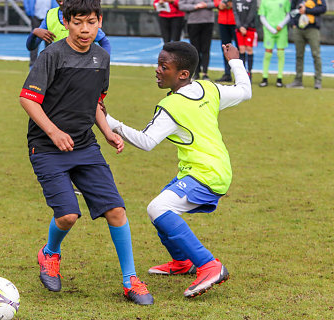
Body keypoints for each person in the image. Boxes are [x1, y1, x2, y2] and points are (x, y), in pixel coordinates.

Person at [19, 0, 154, 305]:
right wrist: (53, 132)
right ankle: (50, 254)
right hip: (46, 147)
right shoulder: (51, 56)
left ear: (99, 21)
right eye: (78, 22)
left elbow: (95, 102)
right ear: (66, 22)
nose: (84, 29)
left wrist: (107, 133)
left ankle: (130, 280)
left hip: (85, 145)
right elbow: (28, 99)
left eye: (91, 22)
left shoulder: (102, 58)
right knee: (67, 216)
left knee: (116, 211)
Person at [102, 42, 252, 298]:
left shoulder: (170, 108)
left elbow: (146, 142)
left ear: (183, 74)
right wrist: (235, 61)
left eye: (164, 66)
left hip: (205, 173)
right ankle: (182, 262)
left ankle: (209, 265)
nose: (157, 71)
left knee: (158, 208)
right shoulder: (208, 88)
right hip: (213, 168)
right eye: (158, 64)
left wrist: (109, 121)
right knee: (159, 209)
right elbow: (244, 91)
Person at [25, 0, 111, 55]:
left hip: (81, 68)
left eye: (77, 23)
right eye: (77, 23)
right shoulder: (51, 15)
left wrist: (103, 63)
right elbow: (31, 47)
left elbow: (105, 42)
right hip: (59, 69)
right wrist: (34, 33)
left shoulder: (83, 15)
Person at [286, 0, 326, 89]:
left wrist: (307, 10)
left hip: (312, 29)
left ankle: (318, 80)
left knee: (316, 54)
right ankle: (298, 80)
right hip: (298, 29)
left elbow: (323, 8)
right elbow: (292, 9)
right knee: (299, 55)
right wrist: (293, 23)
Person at [178, 0, 216, 80]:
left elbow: (217, 3)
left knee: (206, 48)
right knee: (195, 49)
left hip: (208, 22)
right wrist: (195, 6)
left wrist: (206, 5)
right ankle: (196, 72)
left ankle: (205, 73)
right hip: (193, 22)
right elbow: (181, 5)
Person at [258, 0, 290, 87]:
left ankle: (279, 78)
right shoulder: (264, 1)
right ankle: (265, 78)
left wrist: (281, 25)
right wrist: (270, 28)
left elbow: (288, 15)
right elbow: (262, 16)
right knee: (268, 53)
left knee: (280, 53)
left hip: (281, 30)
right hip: (269, 31)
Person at [23, 0, 58, 67]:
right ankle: (32, 64)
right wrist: (28, 11)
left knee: (49, 41)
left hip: (49, 17)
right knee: (34, 41)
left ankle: (49, 64)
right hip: (36, 16)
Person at [233, 0, 257, 81]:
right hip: (239, 29)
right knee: (241, 49)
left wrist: (245, 26)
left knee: (249, 49)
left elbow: (252, 12)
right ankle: (242, 73)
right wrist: (239, 26)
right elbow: (235, 12)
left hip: (249, 28)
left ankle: (249, 72)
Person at [214, 0, 237, 82]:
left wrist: (234, 4)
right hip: (223, 21)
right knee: (225, 48)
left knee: (240, 49)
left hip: (236, 21)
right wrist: (219, 4)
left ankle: (241, 74)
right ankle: (227, 74)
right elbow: (215, 1)